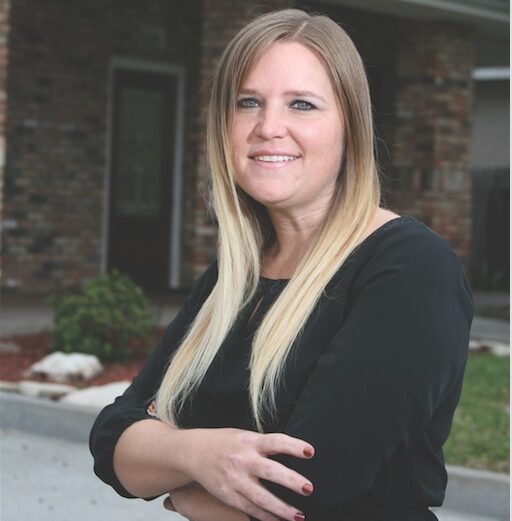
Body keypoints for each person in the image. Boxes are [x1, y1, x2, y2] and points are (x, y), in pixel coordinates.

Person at [89, 8, 473, 521]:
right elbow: (112, 441)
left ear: (350, 128)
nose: (269, 127)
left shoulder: (410, 268)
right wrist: (203, 456)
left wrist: (189, 490)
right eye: (248, 102)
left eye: (302, 105)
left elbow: (306, 491)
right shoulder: (235, 278)